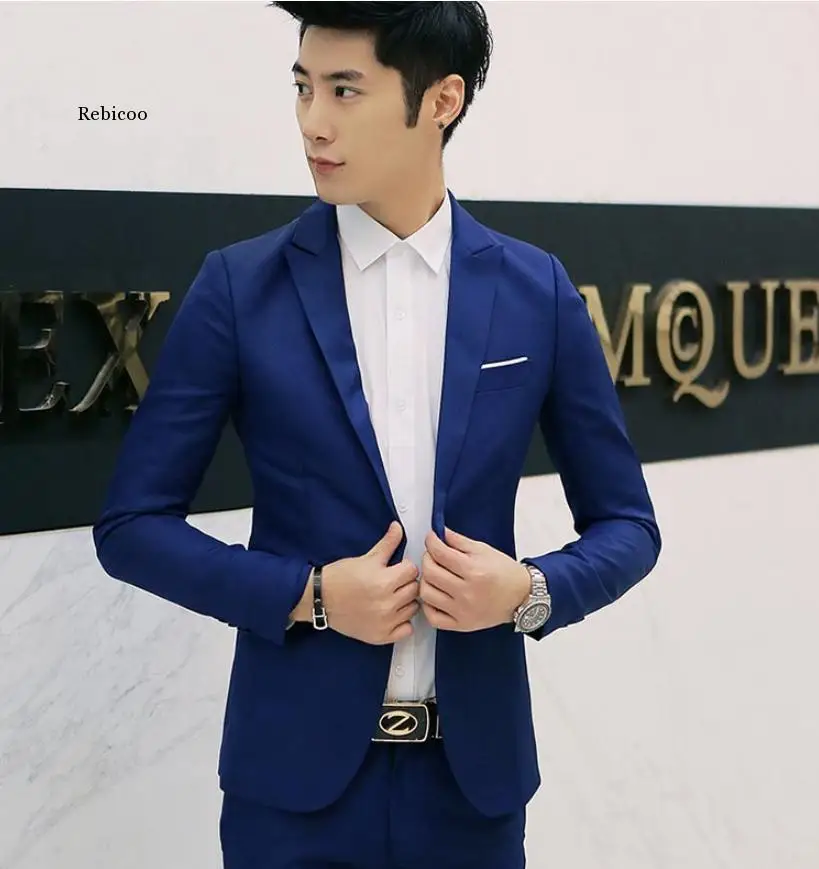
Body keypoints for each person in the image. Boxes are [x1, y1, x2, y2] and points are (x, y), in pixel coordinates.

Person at [93, 2, 661, 867]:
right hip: (291, 795)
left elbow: (628, 525)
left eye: (345, 90)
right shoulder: (239, 288)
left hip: (472, 793)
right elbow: (131, 527)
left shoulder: (534, 290)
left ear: (441, 100)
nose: (312, 122)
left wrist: (528, 590)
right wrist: (310, 594)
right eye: (303, 88)